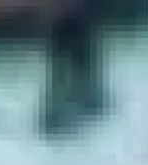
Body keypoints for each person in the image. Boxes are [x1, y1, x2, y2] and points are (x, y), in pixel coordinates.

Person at [40, 0, 108, 133]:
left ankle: (64, 104)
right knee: (66, 66)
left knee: (65, 67)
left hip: (68, 21)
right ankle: (64, 104)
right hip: (69, 21)